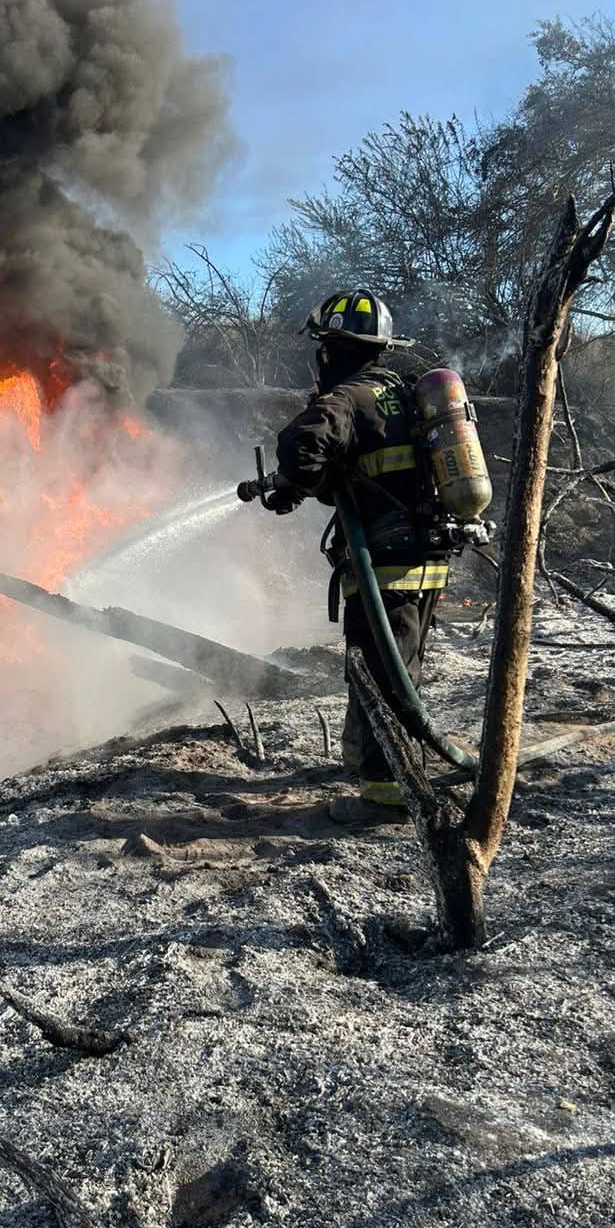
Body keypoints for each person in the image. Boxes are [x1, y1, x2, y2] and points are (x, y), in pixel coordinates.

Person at [258, 289, 451, 826]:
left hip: (383, 563)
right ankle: (371, 765)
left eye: (322, 346)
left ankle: (388, 795)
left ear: (332, 350)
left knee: (384, 674)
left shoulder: (348, 397)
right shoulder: (403, 393)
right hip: (424, 558)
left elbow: (303, 445)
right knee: (396, 667)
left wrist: (293, 484)